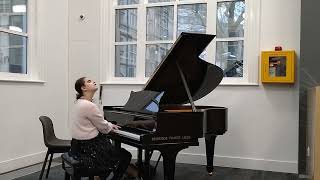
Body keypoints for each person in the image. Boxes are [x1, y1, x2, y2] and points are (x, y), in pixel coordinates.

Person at [69, 77, 132, 180]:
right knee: (126, 155)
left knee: (114, 150)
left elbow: (99, 122)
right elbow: (103, 127)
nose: (93, 81)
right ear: (83, 88)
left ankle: (101, 176)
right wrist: (111, 126)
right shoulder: (89, 106)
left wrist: (108, 124)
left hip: (77, 146)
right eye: (89, 81)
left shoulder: (79, 103)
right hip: (90, 148)